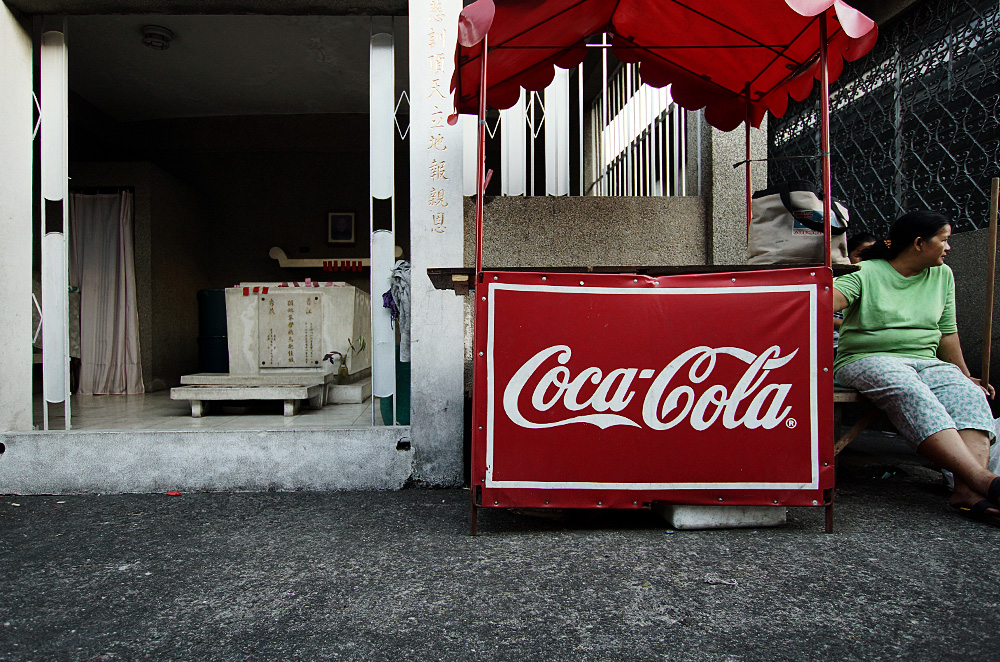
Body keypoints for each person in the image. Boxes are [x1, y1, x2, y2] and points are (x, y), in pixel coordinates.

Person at [832, 210, 999, 526]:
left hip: (926, 361)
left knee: (969, 394)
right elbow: (824, 302)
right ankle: (983, 480)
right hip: (866, 360)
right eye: (944, 240)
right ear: (920, 243)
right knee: (909, 389)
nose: (948, 247)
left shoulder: (942, 275)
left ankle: (968, 490)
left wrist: (964, 374)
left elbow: (947, 333)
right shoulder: (865, 272)